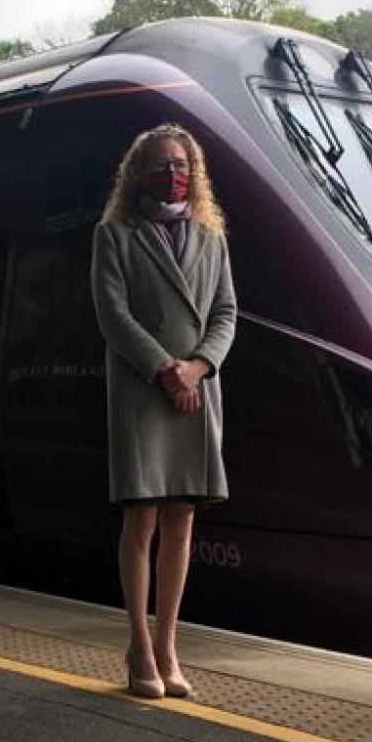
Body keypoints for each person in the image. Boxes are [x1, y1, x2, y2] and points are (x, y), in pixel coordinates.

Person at [89, 124, 237, 700]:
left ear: (194, 173)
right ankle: (138, 646)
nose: (171, 173)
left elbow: (226, 312)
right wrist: (165, 369)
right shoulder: (115, 235)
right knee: (143, 516)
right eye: (159, 163)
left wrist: (197, 366)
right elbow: (112, 315)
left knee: (182, 520)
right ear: (137, 172)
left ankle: (170, 645)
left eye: (181, 164)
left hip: (198, 392)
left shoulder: (211, 236)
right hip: (143, 389)